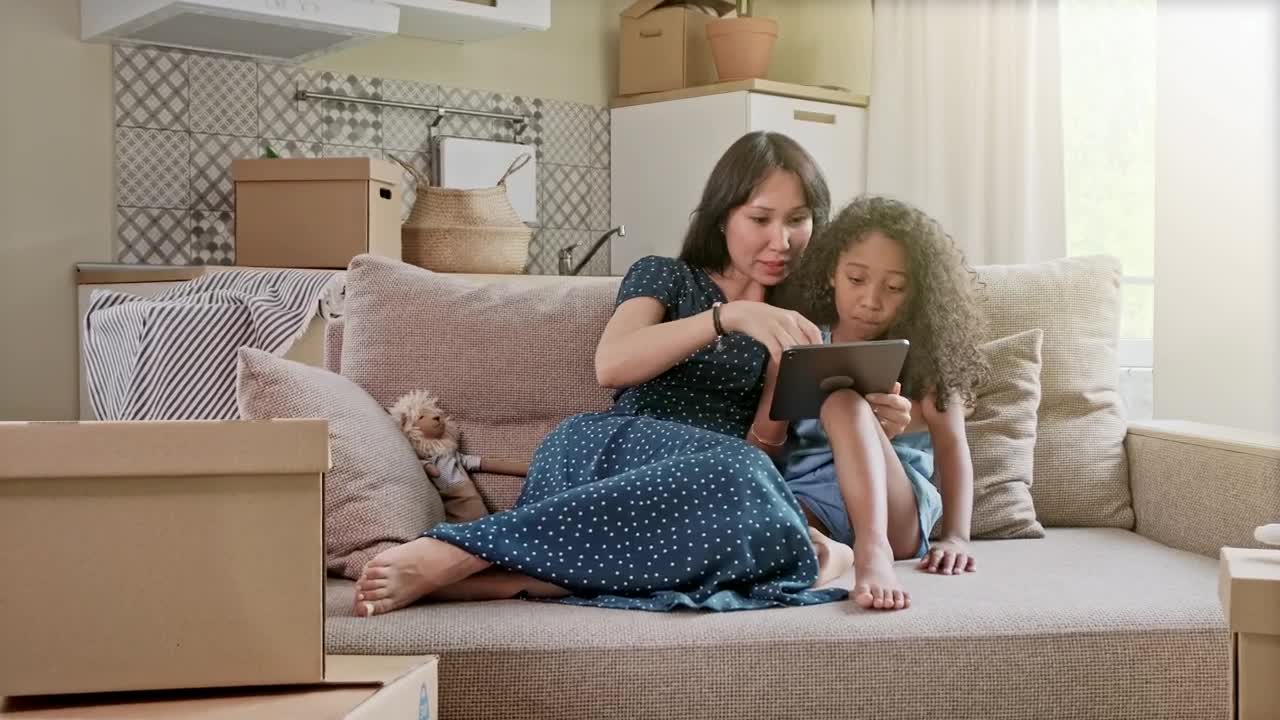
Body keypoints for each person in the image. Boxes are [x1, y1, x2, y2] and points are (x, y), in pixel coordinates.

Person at [351, 131, 912, 616]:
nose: (780, 241)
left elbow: (761, 449)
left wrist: (792, 382)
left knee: (766, 506)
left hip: (706, 491)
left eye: (798, 221)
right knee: (760, 498)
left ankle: (524, 576)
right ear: (723, 217)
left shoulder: (803, 317)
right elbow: (613, 364)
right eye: (761, 219)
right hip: (607, 453)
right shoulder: (665, 276)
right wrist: (726, 317)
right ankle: (466, 550)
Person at [759, 195, 989, 612]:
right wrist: (779, 381)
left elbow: (953, 448)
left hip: (895, 517)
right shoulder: (804, 342)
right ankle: (831, 554)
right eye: (857, 279)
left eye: (894, 287)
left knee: (843, 402)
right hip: (811, 502)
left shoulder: (927, 358)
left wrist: (956, 536)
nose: (872, 300)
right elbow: (763, 450)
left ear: (916, 291)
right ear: (832, 273)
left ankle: (871, 551)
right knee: (749, 530)